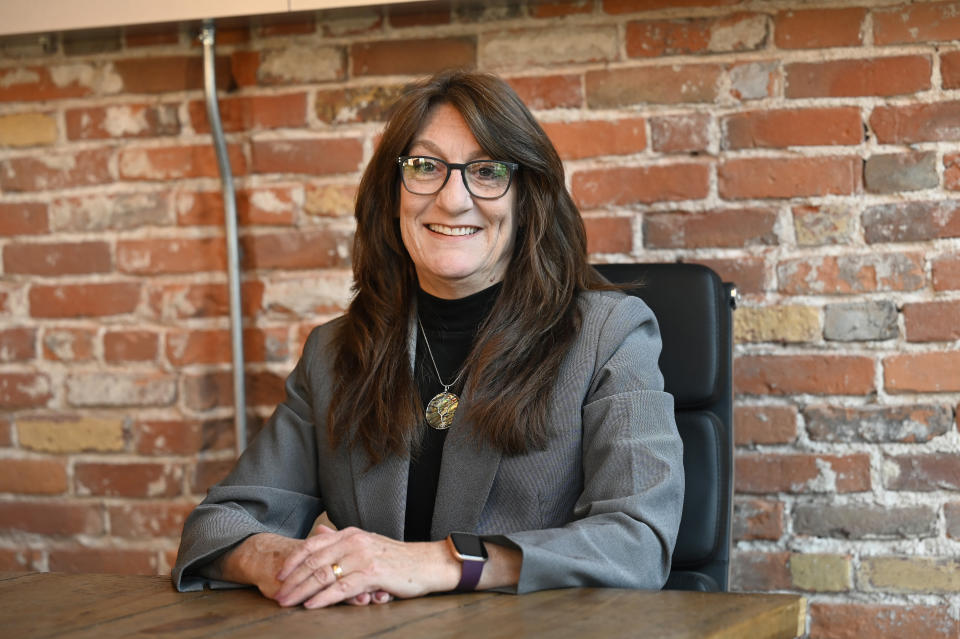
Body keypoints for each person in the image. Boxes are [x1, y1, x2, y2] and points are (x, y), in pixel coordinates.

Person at [172, 69, 684, 608]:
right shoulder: (335, 353)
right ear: (392, 193)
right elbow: (216, 526)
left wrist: (437, 562)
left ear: (526, 197)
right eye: (424, 167)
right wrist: (278, 559)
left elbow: (638, 542)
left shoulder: (610, 336)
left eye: (487, 171)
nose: (453, 199)